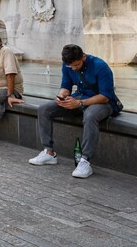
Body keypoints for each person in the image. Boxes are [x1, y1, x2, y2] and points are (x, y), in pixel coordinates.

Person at [29, 44, 122, 178]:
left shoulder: (100, 66)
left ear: (83, 57)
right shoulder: (67, 65)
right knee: (44, 109)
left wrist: (79, 103)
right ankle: (49, 153)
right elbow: (66, 86)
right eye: (71, 66)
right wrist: (62, 96)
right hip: (80, 98)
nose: (73, 69)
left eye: (76, 65)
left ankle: (85, 161)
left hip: (103, 102)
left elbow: (105, 96)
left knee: (90, 116)